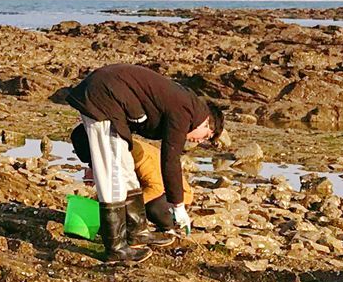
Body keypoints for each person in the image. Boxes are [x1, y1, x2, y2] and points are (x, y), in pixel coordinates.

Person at [50, 65, 224, 261]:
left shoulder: (186, 105)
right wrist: (178, 205)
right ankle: (115, 248)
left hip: (112, 101)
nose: (198, 141)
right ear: (206, 122)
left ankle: (137, 230)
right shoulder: (185, 111)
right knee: (112, 173)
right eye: (205, 137)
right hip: (103, 100)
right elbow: (170, 159)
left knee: (125, 168)